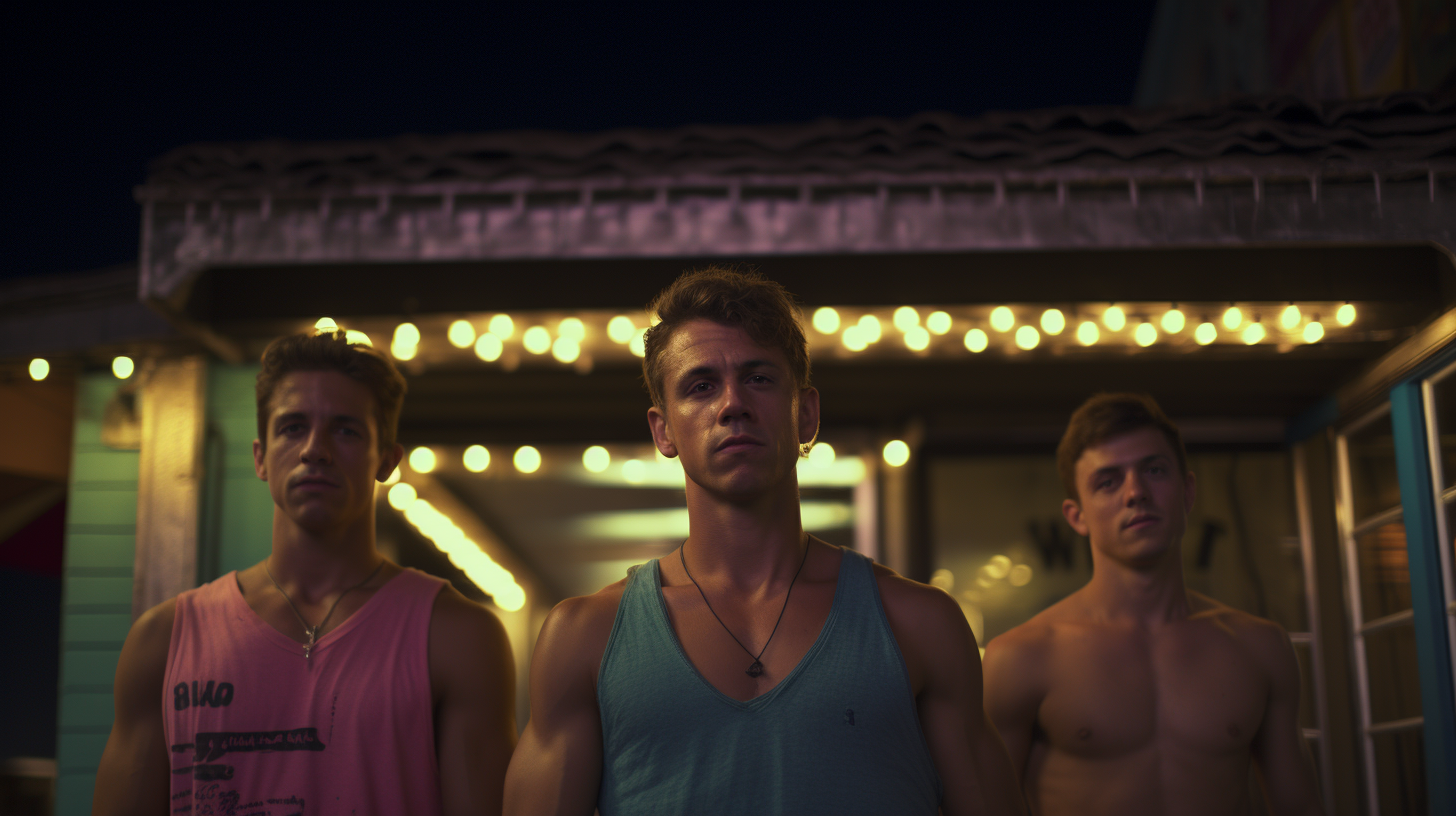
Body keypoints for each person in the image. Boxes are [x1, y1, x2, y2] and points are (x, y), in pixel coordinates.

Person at [504, 268, 1025, 816]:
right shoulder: (586, 635)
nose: (733, 403)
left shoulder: (920, 623)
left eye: (758, 378)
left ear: (806, 413)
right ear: (663, 431)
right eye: (701, 385)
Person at [94, 331, 517, 816]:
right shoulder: (163, 642)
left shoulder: (457, 637)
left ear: (387, 460)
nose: (315, 449)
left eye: (346, 430)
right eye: (292, 427)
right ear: (260, 457)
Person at [982, 393, 1324, 816]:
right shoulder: (1021, 657)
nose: (1136, 492)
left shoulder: (1259, 647)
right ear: (1077, 517)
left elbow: (1300, 807)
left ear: (1187, 491)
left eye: (1155, 470)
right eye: (1108, 481)